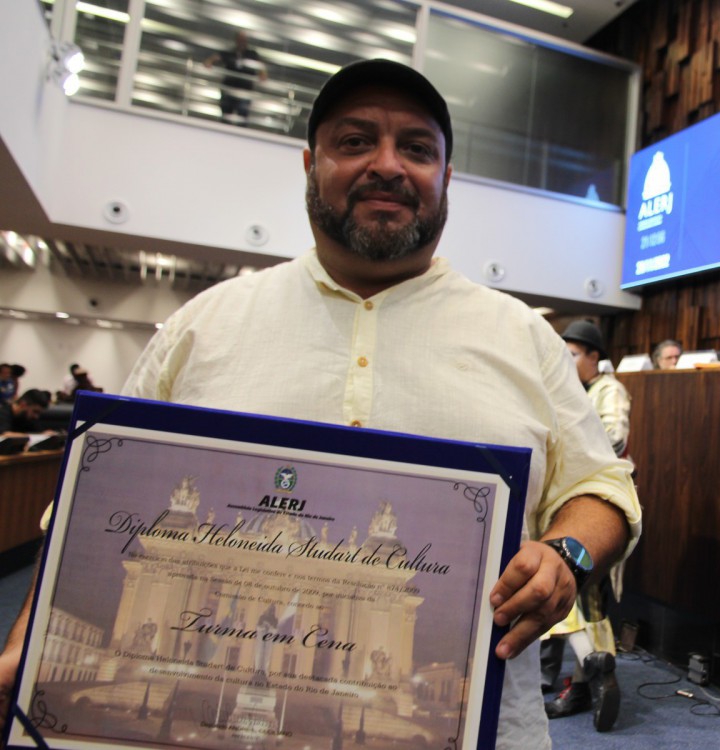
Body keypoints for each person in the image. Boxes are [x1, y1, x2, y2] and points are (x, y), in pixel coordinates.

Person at [0, 59, 641, 750]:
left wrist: (565, 553)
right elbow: (86, 504)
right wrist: (24, 646)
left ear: (446, 177)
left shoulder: (522, 338)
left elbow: (601, 484)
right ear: (311, 165)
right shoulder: (204, 327)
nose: (387, 165)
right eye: (355, 141)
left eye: (417, 149)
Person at [541, 320, 630, 732]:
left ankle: (588, 673)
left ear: (594, 356)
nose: (567, 360)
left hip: (598, 508)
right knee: (579, 596)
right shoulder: (569, 390)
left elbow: (612, 438)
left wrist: (570, 447)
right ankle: (586, 678)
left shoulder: (608, 389)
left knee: (581, 593)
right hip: (565, 504)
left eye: (574, 353)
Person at [204, 30, 268, 126]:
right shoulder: (230, 53)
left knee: (242, 115)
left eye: (244, 40)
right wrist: (209, 62)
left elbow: (261, 67)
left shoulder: (251, 54)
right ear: (236, 41)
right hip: (229, 88)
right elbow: (215, 58)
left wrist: (263, 74)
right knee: (226, 114)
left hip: (244, 90)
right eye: (240, 40)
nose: (242, 42)